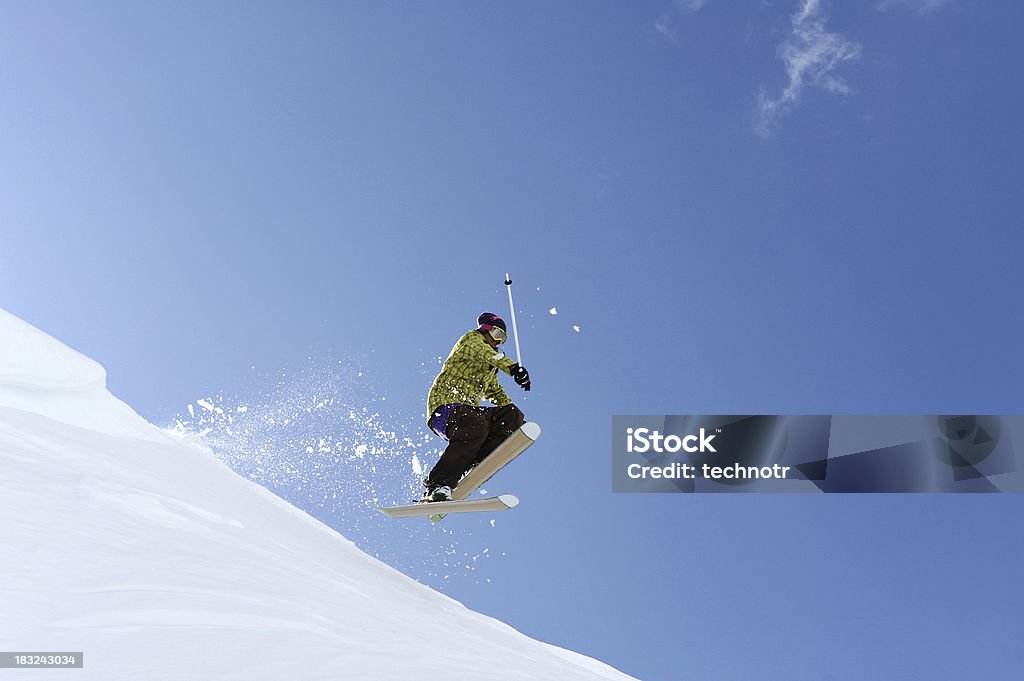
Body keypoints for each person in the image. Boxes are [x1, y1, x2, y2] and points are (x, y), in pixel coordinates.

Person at [422, 312, 532, 502]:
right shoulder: (471, 340)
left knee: (511, 414)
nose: (498, 342)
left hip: (467, 413)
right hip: (444, 408)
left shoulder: (489, 368)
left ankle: (478, 460)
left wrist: (517, 425)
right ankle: (438, 484)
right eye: (498, 336)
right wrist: (513, 368)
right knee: (476, 424)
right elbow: (485, 352)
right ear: (486, 329)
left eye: (503, 340)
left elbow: (496, 393)